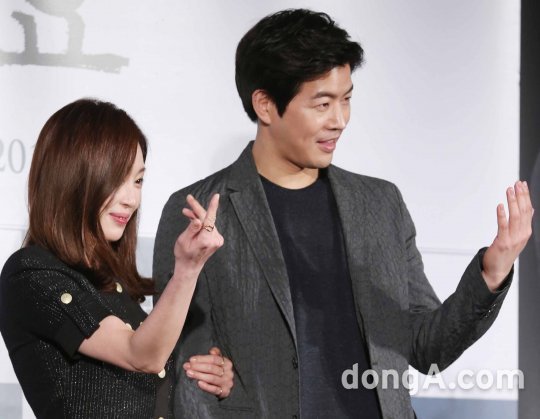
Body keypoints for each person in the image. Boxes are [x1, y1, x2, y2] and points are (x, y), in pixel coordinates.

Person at [153, 9, 533, 419]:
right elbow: (188, 370)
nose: (340, 121)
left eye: (346, 99)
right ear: (265, 105)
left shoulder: (380, 205)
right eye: (323, 104)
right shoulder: (199, 211)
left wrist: (492, 273)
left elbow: (426, 348)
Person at [0, 99, 234, 419]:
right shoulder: (30, 274)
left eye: (137, 180)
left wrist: (208, 373)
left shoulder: (113, 284)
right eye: (116, 178)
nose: (131, 199)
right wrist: (187, 269)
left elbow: (149, 373)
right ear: (72, 177)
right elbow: (140, 356)